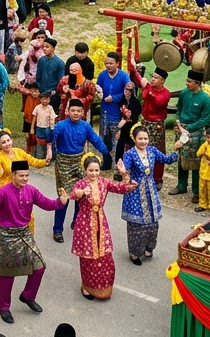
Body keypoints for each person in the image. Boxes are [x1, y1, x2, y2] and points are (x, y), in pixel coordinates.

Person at [0, 161, 67, 324]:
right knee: (8, 274)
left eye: (27, 175)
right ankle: (4, 307)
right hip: (7, 235)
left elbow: (47, 204)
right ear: (13, 175)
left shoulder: (31, 190)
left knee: (40, 267)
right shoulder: (3, 191)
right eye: (21, 175)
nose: (25, 179)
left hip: (25, 233)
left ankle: (28, 296)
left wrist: (60, 202)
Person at [69, 155, 135, 299]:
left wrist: (124, 175)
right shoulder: (81, 184)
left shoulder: (104, 182)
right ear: (85, 170)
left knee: (105, 257)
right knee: (88, 257)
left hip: (101, 222)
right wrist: (81, 192)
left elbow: (121, 188)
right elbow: (73, 195)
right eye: (91, 170)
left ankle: (104, 288)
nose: (94, 173)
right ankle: (86, 287)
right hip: (85, 225)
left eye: (96, 170)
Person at [120, 124, 183, 264]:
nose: (143, 141)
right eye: (140, 138)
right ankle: (135, 253)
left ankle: (149, 247)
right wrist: (123, 172)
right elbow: (125, 171)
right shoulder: (129, 154)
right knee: (137, 224)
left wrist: (176, 148)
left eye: (145, 138)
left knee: (153, 222)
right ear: (134, 139)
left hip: (151, 191)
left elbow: (167, 159)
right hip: (135, 192)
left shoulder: (152, 150)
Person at [50, 99, 107, 243]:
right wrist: (51, 130)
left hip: (80, 162)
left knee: (82, 194)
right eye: (73, 110)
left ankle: (76, 221)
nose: (75, 113)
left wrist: (106, 153)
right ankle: (57, 229)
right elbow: (50, 139)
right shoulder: (61, 125)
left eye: (78, 111)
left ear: (83, 113)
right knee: (64, 196)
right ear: (68, 111)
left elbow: (96, 140)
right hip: (63, 162)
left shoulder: (85, 126)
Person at [172, 70, 210, 196]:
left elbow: (205, 119)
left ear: (197, 83)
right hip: (182, 129)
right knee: (181, 159)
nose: (187, 83)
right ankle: (181, 185)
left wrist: (189, 128)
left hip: (196, 132)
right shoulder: (184, 93)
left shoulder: (205, 98)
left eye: (189, 81)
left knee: (195, 161)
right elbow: (179, 108)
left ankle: (196, 191)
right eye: (187, 80)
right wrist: (178, 121)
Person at [132, 64, 171, 182]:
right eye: (152, 76)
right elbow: (139, 78)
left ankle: (157, 178)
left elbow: (159, 102)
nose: (152, 79)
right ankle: (142, 173)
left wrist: (150, 93)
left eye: (156, 77)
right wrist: (133, 65)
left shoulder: (166, 93)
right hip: (145, 122)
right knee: (142, 147)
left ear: (162, 80)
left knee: (156, 151)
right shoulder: (149, 87)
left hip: (156, 125)